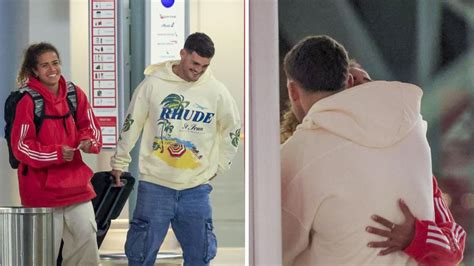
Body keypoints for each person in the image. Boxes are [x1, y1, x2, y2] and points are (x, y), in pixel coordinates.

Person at [280, 61, 466, 265]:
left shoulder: (413, 167)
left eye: (367, 80)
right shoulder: (302, 162)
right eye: (350, 83)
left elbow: (453, 247)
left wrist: (417, 237)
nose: (362, 84)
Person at [110, 32, 241, 266]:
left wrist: (221, 164)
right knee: (140, 257)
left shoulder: (217, 91)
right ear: (183, 54)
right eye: (194, 63)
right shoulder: (152, 85)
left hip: (196, 189)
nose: (198, 71)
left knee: (200, 257)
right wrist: (119, 162)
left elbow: (233, 127)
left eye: (204, 66)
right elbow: (132, 124)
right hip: (155, 186)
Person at [10, 42, 102, 265]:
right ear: (34, 70)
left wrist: (90, 142)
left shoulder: (74, 93)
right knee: (41, 256)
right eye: (44, 65)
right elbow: (21, 147)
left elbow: (92, 127)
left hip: (77, 189)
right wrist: (57, 154)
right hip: (41, 194)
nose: (52, 69)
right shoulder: (27, 100)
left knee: (86, 249)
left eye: (55, 63)